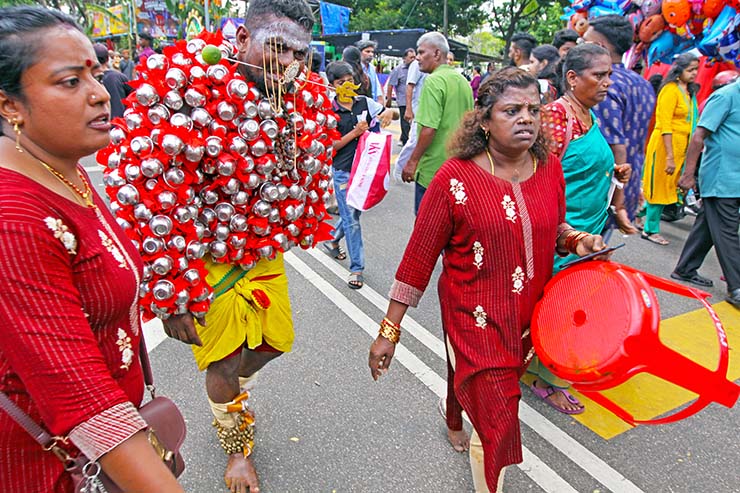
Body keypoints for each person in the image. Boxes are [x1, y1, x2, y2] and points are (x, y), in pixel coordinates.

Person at [114, 1, 325, 491]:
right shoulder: (187, 86)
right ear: (242, 39)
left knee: (276, 342)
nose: (287, 62)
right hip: (206, 263)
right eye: (276, 47)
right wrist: (173, 293)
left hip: (260, 255)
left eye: (298, 52)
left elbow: (303, 167)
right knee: (223, 362)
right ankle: (237, 450)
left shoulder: (297, 96)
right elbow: (156, 194)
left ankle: (228, 390)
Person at [368, 67, 609, 492]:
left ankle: (454, 414)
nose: (526, 119)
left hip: (528, 317)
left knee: (475, 384)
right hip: (472, 314)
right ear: (483, 120)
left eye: (533, 109)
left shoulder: (549, 166)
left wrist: (579, 241)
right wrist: (389, 330)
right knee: (498, 417)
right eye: (511, 110)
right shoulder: (453, 179)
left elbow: (553, 229)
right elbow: (417, 260)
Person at [0, 6, 184, 492]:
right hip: (51, 465)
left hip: (104, 449)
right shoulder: (12, 214)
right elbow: (80, 394)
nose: (102, 94)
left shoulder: (64, 168)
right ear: (9, 105)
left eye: (95, 75)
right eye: (69, 82)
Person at [532, 43, 628, 414]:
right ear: (572, 78)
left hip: (589, 231)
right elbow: (540, 178)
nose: (607, 83)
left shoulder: (586, 115)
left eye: (609, 75)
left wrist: (613, 177)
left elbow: (581, 167)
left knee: (570, 306)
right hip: (563, 234)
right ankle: (546, 378)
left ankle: (545, 368)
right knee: (559, 308)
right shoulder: (557, 117)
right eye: (598, 75)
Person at [322, 61, 391, 289]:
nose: (347, 85)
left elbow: (388, 113)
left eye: (350, 81)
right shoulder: (330, 113)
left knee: (353, 214)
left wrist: (389, 113)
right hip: (342, 172)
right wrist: (355, 132)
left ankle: (332, 239)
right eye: (341, 82)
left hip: (365, 171)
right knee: (352, 220)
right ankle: (356, 268)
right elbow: (332, 146)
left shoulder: (364, 103)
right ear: (332, 86)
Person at [673, 78, 740, 308]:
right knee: (727, 229)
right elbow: (699, 136)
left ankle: (685, 268)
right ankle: (737, 287)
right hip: (722, 176)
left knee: (709, 224)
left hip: (736, 177)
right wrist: (688, 174)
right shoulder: (726, 96)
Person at [587, 15, 656, 235]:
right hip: (629, 181)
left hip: (600, 188)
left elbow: (614, 144)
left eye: (585, 42)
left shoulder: (603, 85)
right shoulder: (643, 84)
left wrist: (618, 203)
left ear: (599, 46)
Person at [400, 32, 473, 213]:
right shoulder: (463, 81)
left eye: (422, 52)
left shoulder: (433, 81)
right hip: (458, 167)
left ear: (437, 54)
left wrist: (412, 161)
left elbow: (428, 129)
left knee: (426, 228)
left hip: (433, 171)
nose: (417, 57)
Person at [642, 53, 699, 245]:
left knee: (670, 187)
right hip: (665, 146)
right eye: (690, 70)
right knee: (659, 186)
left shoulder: (689, 92)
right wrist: (669, 157)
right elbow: (664, 123)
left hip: (681, 146)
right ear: (679, 70)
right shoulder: (670, 90)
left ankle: (637, 212)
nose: (694, 74)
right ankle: (650, 230)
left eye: (696, 70)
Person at [394, 55, 428, 181]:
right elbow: (410, 86)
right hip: (418, 107)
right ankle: (400, 166)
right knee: (414, 140)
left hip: (429, 109)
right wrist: (409, 108)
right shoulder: (417, 64)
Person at [93, 43, 132, 119]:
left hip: (103, 124)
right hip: (123, 124)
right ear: (108, 59)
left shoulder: (90, 81)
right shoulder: (120, 77)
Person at [386, 48, 415, 145]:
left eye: (414, 57)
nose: (413, 60)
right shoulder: (398, 70)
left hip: (415, 100)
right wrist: (389, 99)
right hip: (403, 100)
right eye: (411, 57)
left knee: (413, 122)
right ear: (404, 58)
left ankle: (404, 137)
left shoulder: (418, 69)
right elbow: (391, 84)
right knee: (405, 121)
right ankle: (405, 140)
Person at [356, 39, 384, 105]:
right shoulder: (355, 67)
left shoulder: (372, 68)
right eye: (367, 51)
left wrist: (380, 102)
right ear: (359, 52)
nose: (371, 54)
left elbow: (377, 88)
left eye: (372, 52)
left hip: (373, 104)